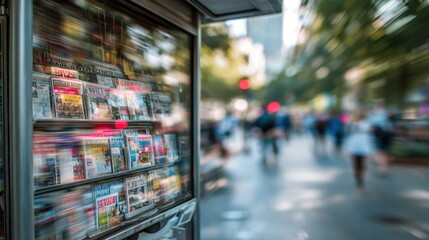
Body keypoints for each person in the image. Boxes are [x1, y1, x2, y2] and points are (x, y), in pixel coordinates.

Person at [344, 111, 375, 188]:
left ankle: (358, 176)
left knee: (355, 163)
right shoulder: (367, 124)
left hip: (353, 145)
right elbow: (371, 134)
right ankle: (360, 176)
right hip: (364, 145)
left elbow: (347, 135)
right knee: (362, 163)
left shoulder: (350, 124)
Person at [367, 103, 393, 176]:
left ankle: (381, 168)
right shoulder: (387, 115)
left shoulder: (376, 116)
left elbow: (371, 126)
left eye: (375, 108)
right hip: (387, 137)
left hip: (379, 136)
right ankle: (384, 168)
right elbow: (391, 127)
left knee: (378, 153)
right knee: (384, 153)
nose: (374, 109)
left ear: (378, 108)